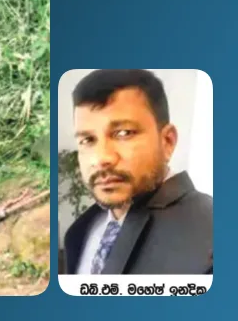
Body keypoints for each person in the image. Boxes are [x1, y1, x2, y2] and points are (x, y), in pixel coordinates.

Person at [63, 69, 213, 274]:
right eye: (87, 140)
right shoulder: (79, 232)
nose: (101, 158)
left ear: (167, 141)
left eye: (123, 133)